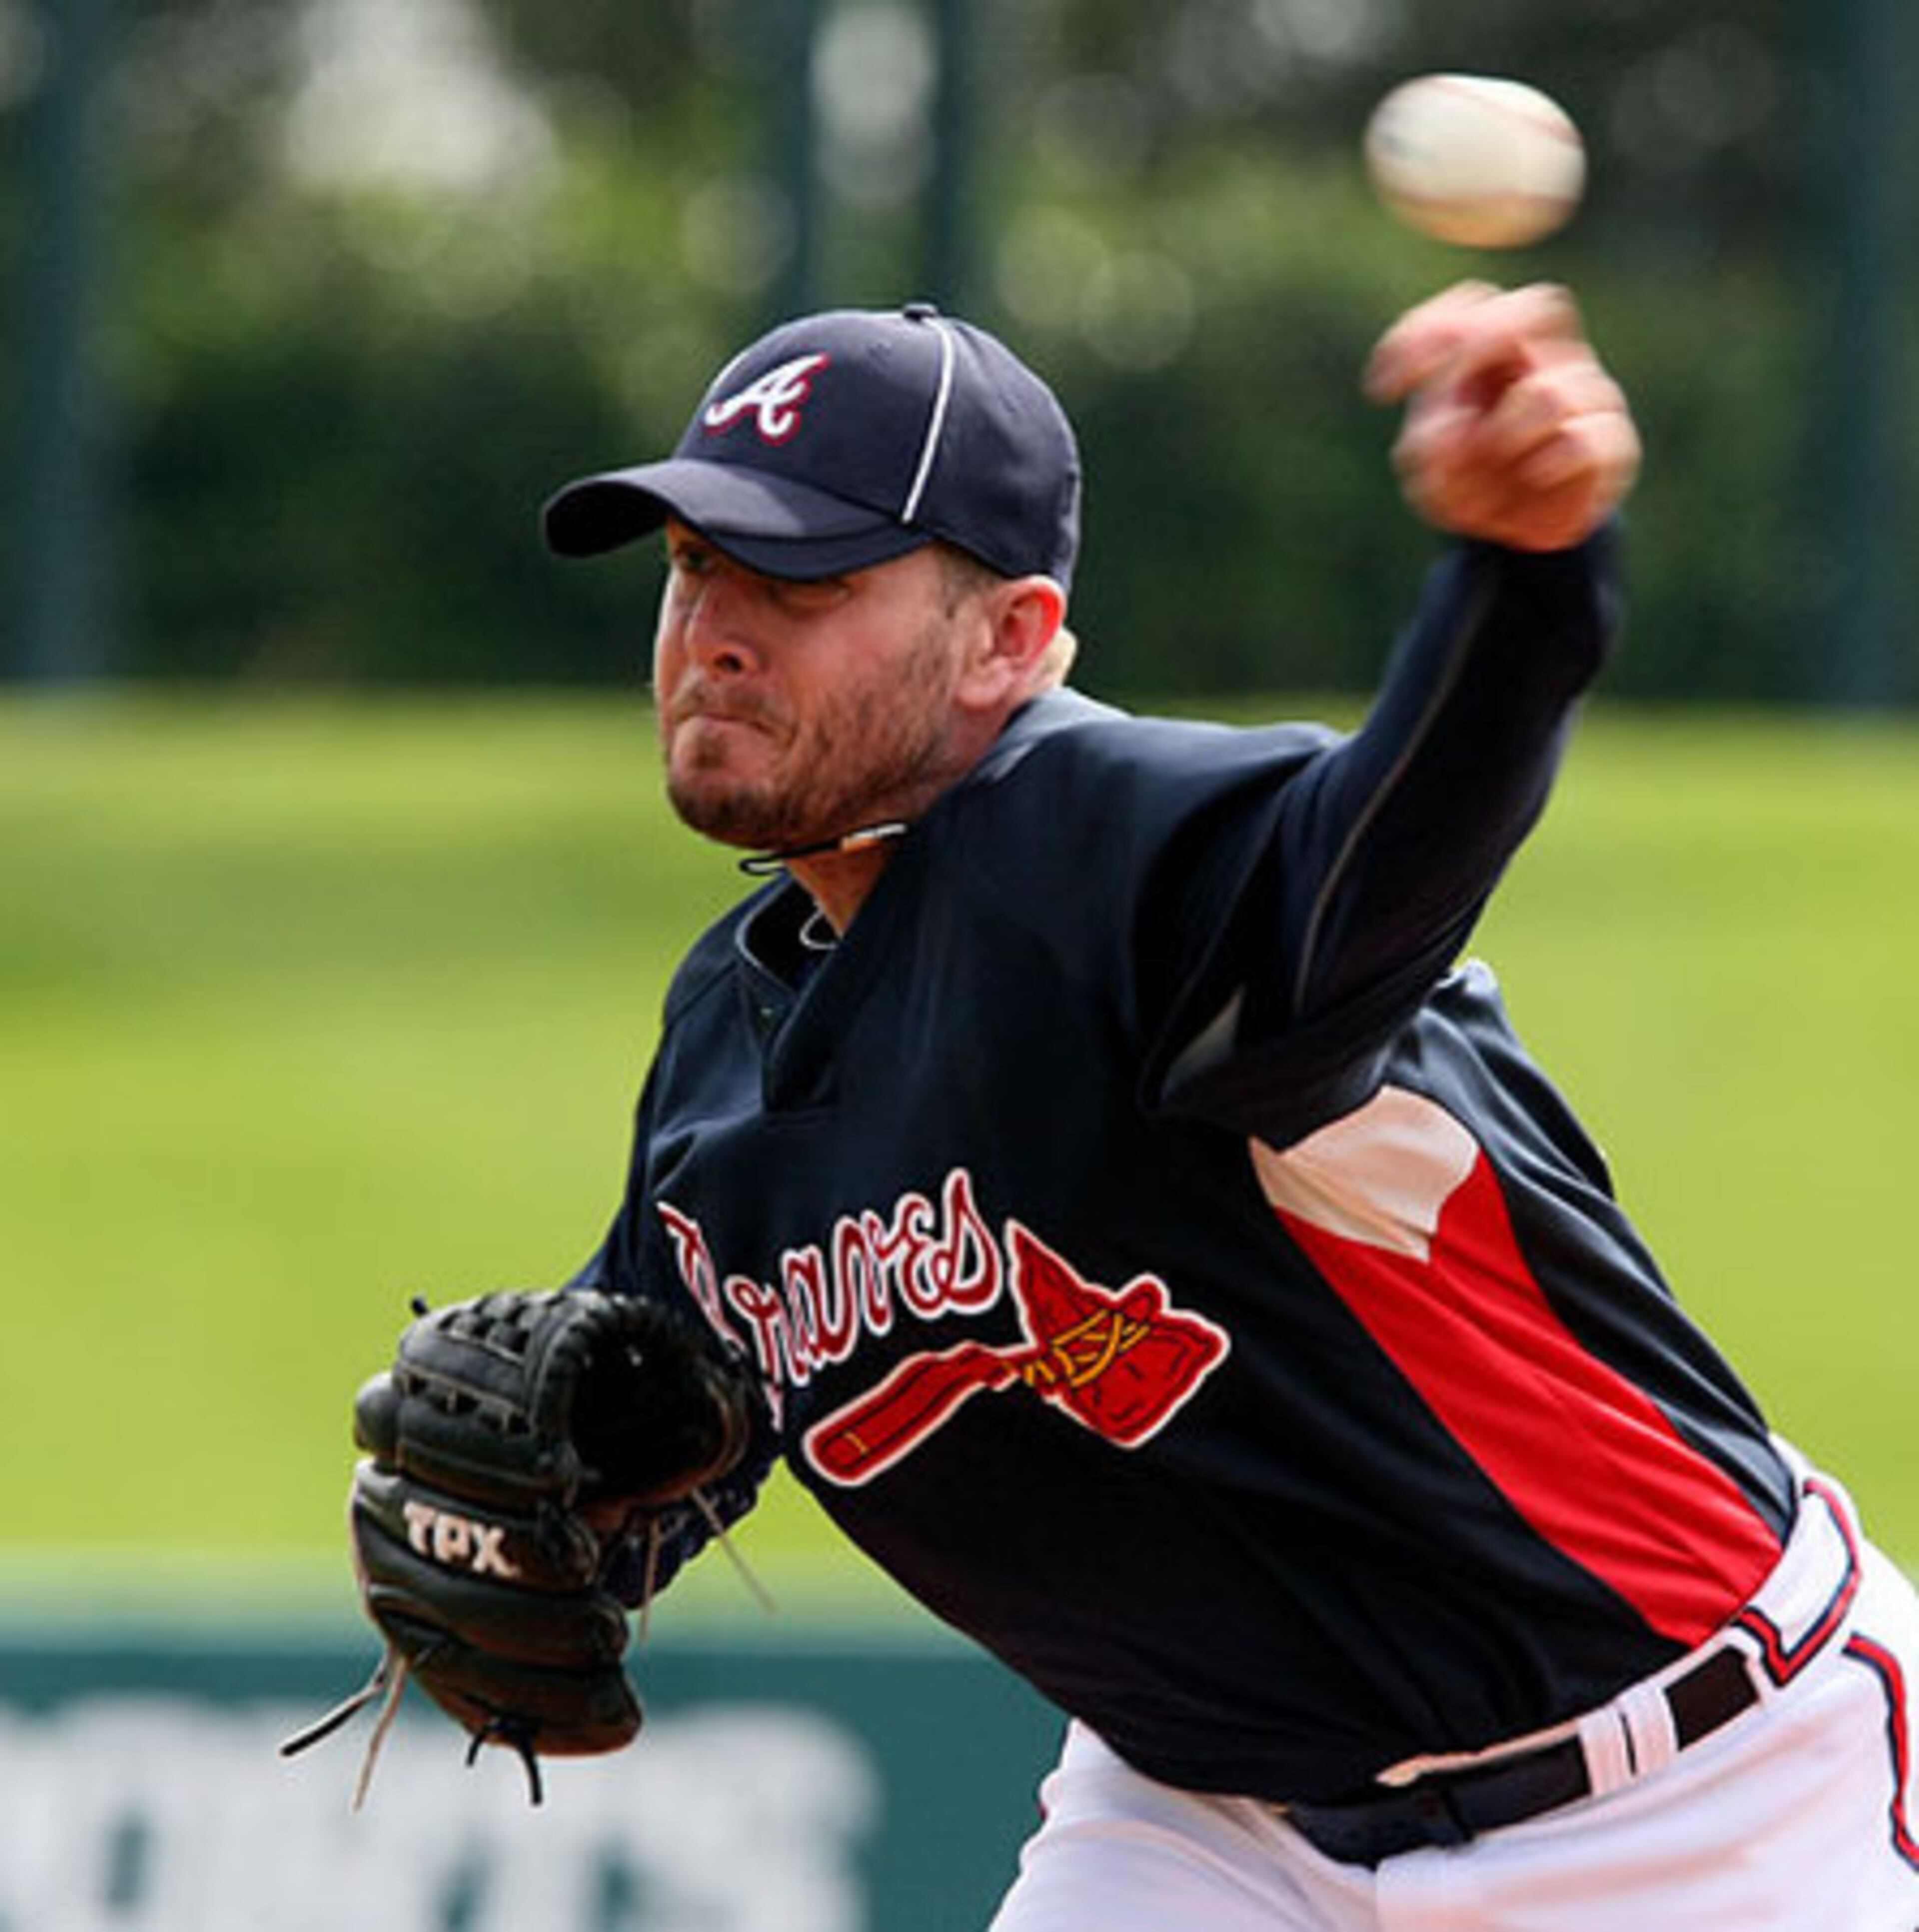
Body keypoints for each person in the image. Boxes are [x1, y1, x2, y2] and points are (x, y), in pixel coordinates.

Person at [524, 287, 1919, 1926]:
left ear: (1013, 639)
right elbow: (651, 1434)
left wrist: (1530, 582)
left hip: (1698, 1796)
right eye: (694, 565)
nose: (718, 628)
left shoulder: (1127, 864)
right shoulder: (728, 1035)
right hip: (1210, 1826)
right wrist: (535, 1524)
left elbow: (1385, 859)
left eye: (804, 578)